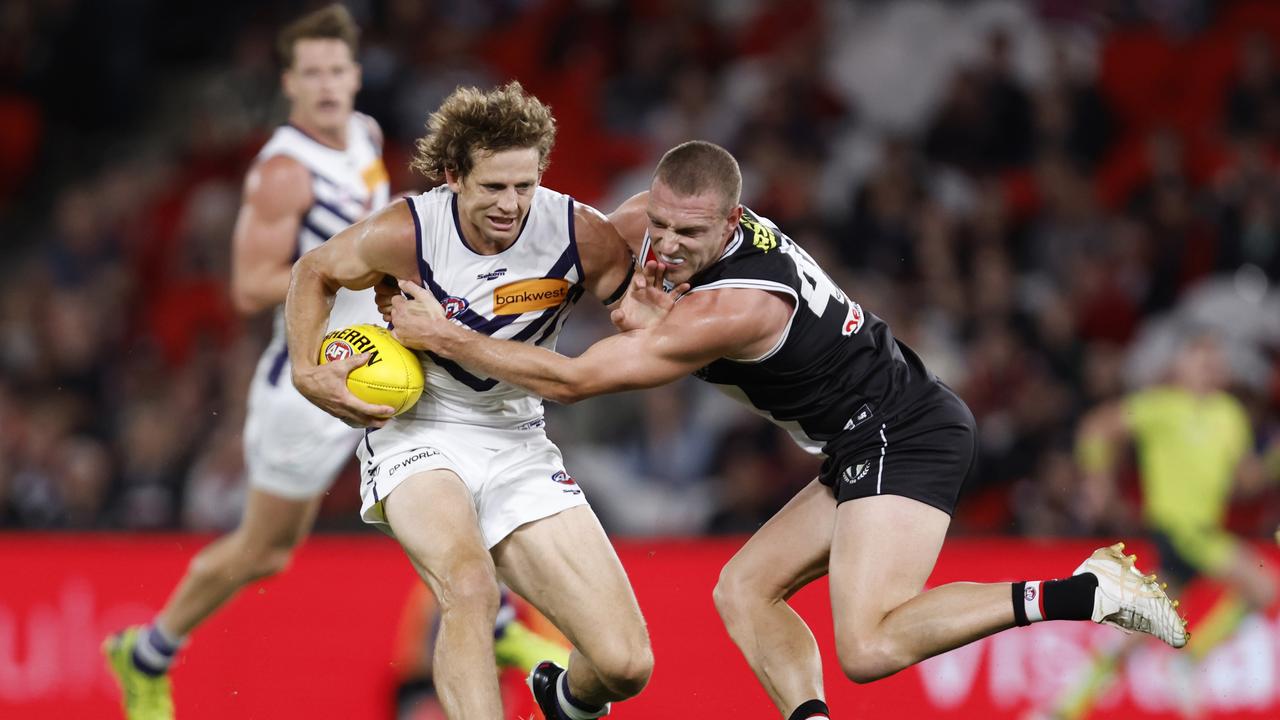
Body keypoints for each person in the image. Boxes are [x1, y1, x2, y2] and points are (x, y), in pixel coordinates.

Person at [386, 140, 1190, 720]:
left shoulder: (737, 304)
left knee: (868, 647)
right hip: (858, 437)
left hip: (903, 430)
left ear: (732, 222)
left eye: (688, 237)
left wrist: (451, 337)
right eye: (659, 225)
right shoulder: (663, 218)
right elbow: (603, 258)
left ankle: (1085, 591)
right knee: (742, 590)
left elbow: (575, 379)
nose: (665, 245)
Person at [101, 9, 560, 720]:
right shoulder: (284, 172)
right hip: (311, 378)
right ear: (289, 82)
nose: (327, 85)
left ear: (356, 73)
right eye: (311, 72)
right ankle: (148, 651)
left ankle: (492, 623)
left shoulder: (366, 137)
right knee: (263, 549)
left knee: (453, 468)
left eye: (338, 70)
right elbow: (252, 285)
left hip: (384, 356)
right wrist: (349, 262)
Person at [285, 81, 653, 719]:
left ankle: (560, 700)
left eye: (525, 185)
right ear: (453, 175)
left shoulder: (580, 236)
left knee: (624, 665)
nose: (512, 204)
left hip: (518, 437)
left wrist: (652, 308)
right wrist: (304, 370)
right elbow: (312, 271)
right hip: (420, 428)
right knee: (469, 588)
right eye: (493, 187)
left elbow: (641, 327)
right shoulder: (408, 232)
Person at [1047, 332, 1279, 719]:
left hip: (1203, 531)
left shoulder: (1229, 414)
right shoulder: (1161, 406)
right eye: (1198, 358)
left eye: (1214, 360)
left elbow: (1245, 483)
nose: (1208, 367)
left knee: (1139, 629)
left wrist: (1273, 460)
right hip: (1178, 531)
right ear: (1179, 366)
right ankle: (1191, 661)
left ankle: (1064, 708)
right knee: (1264, 586)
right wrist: (1097, 481)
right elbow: (1096, 427)